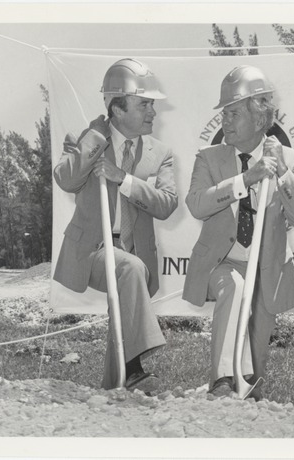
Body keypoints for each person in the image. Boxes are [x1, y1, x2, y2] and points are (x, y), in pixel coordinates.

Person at [183, 65, 294, 400]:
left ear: (259, 118)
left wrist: (282, 172)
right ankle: (222, 380)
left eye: (233, 113)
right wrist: (246, 179)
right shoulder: (209, 158)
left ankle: (242, 389)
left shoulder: (288, 157)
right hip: (222, 264)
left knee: (253, 377)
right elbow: (197, 205)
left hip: (268, 268)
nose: (225, 120)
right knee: (236, 287)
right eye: (224, 114)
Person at [53, 58, 178, 391]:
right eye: (145, 104)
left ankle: (115, 387)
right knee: (129, 269)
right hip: (91, 250)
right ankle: (135, 368)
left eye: (152, 104)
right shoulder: (86, 140)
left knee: (125, 292)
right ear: (118, 109)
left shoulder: (160, 153)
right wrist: (95, 137)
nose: (153, 112)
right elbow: (66, 179)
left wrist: (122, 179)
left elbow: (166, 205)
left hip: (132, 251)